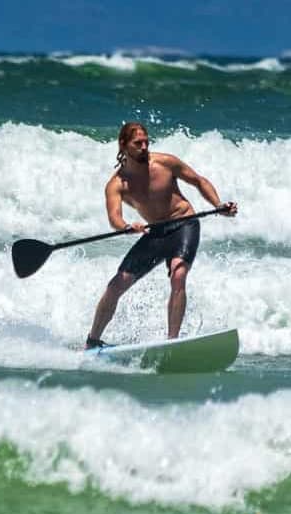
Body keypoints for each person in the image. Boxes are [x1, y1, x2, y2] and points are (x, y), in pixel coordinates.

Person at [84, 122, 238, 349]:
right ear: (123, 145)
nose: (144, 147)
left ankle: (172, 342)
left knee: (178, 275)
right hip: (155, 232)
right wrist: (126, 226)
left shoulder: (166, 163)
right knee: (116, 285)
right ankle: (92, 341)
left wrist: (218, 204)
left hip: (184, 223)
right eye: (138, 143)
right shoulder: (117, 184)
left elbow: (199, 181)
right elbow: (114, 218)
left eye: (147, 142)